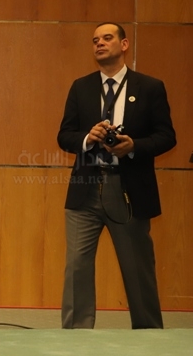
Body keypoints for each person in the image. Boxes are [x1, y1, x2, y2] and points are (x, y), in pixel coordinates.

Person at [57, 22, 175, 329]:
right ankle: (75, 335)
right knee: (76, 267)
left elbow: (166, 137)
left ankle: (148, 334)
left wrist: (134, 146)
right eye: (95, 40)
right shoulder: (81, 87)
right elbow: (65, 135)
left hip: (128, 190)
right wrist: (88, 137)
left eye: (107, 38)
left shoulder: (149, 87)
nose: (99, 43)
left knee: (137, 269)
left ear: (124, 44)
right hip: (85, 188)